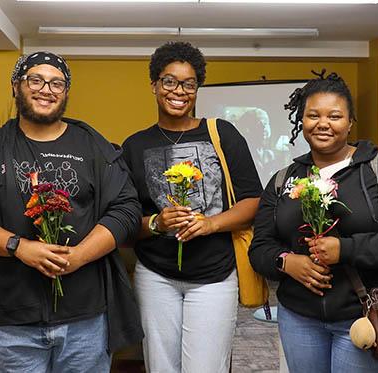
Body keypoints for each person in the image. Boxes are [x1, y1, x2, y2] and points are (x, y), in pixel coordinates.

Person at [0, 51, 143, 372]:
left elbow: (125, 209)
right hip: (9, 321)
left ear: (66, 92)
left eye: (57, 83)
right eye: (35, 80)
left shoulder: (93, 145)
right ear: (16, 86)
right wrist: (19, 248)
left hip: (86, 320)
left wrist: (79, 255)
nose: (46, 89)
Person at [122, 41, 262, 373]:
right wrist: (157, 223)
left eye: (189, 83)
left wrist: (210, 224)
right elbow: (126, 222)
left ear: (197, 89)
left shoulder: (222, 134)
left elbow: (253, 201)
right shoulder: (134, 145)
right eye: (169, 81)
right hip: (156, 276)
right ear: (154, 85)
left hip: (214, 276)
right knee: (161, 367)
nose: (178, 91)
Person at [249, 71, 378, 372]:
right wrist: (286, 262)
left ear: (350, 121)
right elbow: (260, 247)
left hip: (365, 317)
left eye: (335, 115)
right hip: (299, 319)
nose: (323, 123)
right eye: (313, 115)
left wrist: (345, 249)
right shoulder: (282, 180)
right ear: (300, 121)